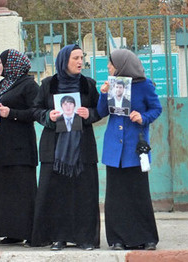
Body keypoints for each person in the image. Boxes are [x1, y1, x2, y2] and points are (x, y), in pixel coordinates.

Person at [31, 44, 101, 251]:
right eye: (75, 58)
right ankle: (59, 237)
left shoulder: (88, 84)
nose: (80, 62)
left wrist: (90, 114)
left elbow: (100, 109)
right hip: (55, 149)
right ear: (64, 61)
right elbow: (35, 109)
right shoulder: (48, 84)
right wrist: (48, 117)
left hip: (83, 149)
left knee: (84, 194)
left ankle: (85, 238)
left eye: (82, 57)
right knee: (57, 194)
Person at [98, 49, 161, 250]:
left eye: (111, 63)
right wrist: (103, 94)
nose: (108, 67)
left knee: (138, 193)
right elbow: (101, 112)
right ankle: (117, 239)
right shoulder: (112, 84)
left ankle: (146, 237)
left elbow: (156, 109)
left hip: (135, 148)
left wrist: (143, 118)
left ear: (122, 65)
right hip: (114, 149)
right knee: (116, 197)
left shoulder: (145, 85)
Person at [0, 49, 39, 246]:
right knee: (4, 192)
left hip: (19, 148)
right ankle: (11, 231)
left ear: (11, 64)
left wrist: (10, 113)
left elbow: (36, 112)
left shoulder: (29, 85)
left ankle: (30, 232)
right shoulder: (5, 83)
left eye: (0, 62)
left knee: (22, 191)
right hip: (0, 146)